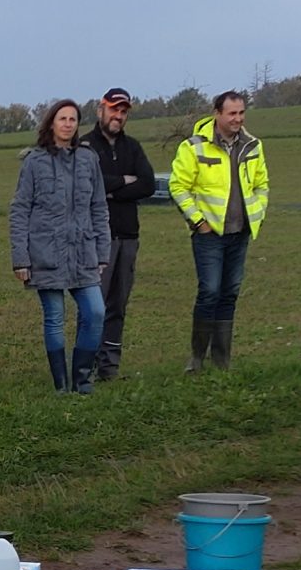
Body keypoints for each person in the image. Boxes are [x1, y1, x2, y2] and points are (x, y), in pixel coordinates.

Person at [8, 98, 112, 393]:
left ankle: (82, 378)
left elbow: (99, 207)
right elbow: (20, 209)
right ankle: (61, 384)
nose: (68, 124)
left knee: (95, 312)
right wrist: (21, 258)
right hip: (46, 252)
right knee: (54, 318)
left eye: (73, 119)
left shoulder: (88, 159)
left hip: (83, 252)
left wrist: (101, 251)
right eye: (62, 118)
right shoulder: (34, 161)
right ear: (51, 123)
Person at [171, 90, 271, 371]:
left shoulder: (253, 145)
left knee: (230, 292)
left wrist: (258, 213)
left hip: (240, 233)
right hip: (209, 235)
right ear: (217, 113)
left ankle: (222, 360)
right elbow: (178, 186)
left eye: (241, 113)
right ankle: (196, 358)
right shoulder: (194, 146)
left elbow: (262, 184)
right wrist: (198, 222)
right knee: (210, 291)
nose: (238, 119)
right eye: (232, 114)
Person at [80, 88, 156, 380]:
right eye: (114, 110)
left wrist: (111, 190)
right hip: (96, 239)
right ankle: (85, 366)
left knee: (118, 305)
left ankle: (109, 366)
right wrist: (124, 181)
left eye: (123, 112)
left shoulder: (133, 147)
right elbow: (89, 185)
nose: (118, 116)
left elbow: (148, 184)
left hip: (128, 236)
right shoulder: (85, 146)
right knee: (93, 306)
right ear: (101, 110)